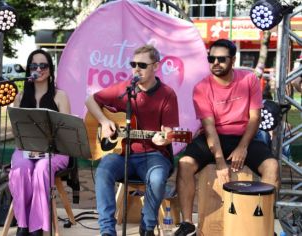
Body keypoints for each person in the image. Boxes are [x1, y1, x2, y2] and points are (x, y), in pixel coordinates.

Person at [174, 39, 279, 236]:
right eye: (211, 58)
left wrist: (243, 147)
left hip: (245, 135)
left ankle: (266, 224)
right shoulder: (201, 87)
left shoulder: (249, 80)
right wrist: (220, 162)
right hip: (214, 136)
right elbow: (209, 126)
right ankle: (188, 224)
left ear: (233, 59)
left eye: (221, 59)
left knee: (272, 167)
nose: (215, 62)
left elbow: (255, 118)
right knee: (185, 164)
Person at [85, 45, 179, 236]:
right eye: (133, 64)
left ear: (156, 66)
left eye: (142, 65)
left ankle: (147, 226)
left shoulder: (167, 94)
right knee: (103, 172)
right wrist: (104, 122)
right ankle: (107, 231)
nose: (136, 69)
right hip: (121, 154)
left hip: (153, 155)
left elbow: (168, 133)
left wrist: (164, 139)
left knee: (157, 179)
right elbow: (90, 101)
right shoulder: (123, 89)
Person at [8, 49, 71, 236]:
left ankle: (38, 227)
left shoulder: (60, 96)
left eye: (43, 65)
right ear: (29, 70)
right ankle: (23, 224)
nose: (38, 69)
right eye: (34, 66)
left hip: (55, 150)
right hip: (26, 148)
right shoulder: (19, 97)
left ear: (50, 70)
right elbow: (15, 131)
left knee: (42, 168)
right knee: (21, 166)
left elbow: (67, 131)